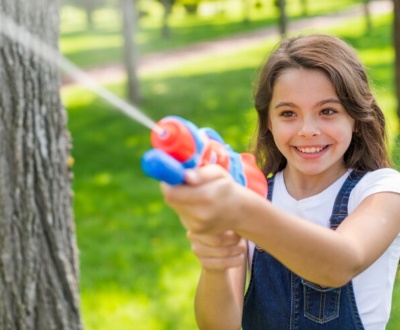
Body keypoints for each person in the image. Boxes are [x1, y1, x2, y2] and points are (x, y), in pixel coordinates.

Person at [160, 34, 400, 329]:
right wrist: (216, 263)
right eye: (288, 113)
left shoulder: (382, 191)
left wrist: (240, 209)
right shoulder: (254, 195)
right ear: (269, 122)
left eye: (327, 111)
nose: (307, 130)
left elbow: (340, 263)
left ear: (355, 117)